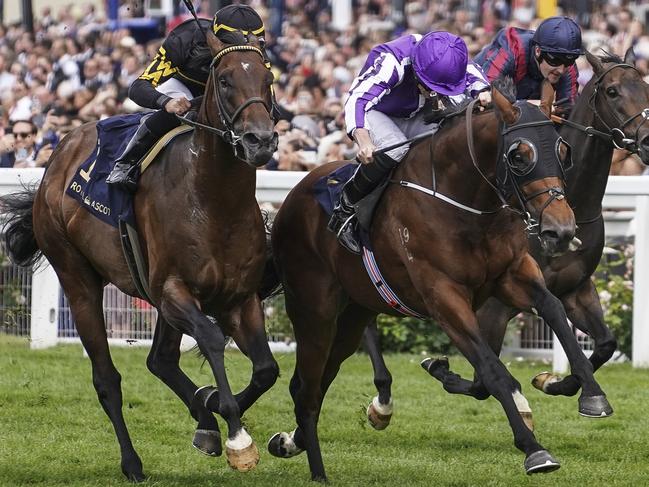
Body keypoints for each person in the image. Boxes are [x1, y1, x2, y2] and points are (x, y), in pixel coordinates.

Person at [328, 31, 490, 254]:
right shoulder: (392, 60)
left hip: (413, 112)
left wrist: (483, 92)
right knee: (398, 147)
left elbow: (474, 74)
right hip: (377, 111)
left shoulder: (447, 54)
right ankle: (344, 208)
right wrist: (363, 140)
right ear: (417, 68)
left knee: (446, 141)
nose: (436, 93)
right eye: (431, 86)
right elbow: (358, 100)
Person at [106, 4, 266, 191]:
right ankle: (126, 163)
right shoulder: (186, 38)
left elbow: (267, 98)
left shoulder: (255, 53)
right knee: (181, 110)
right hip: (183, 89)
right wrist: (166, 102)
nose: (243, 55)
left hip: (226, 94)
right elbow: (138, 88)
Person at [474, 16, 582, 116]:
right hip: (472, 89)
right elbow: (486, 93)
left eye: (569, 61)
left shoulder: (569, 67)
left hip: (517, 102)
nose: (561, 70)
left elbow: (568, 110)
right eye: (556, 60)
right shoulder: (514, 49)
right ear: (538, 51)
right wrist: (533, 105)